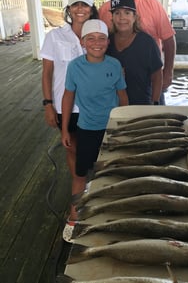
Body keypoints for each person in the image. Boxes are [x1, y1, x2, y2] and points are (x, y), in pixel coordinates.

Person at [61, 19, 128, 240]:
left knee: (113, 171)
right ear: (83, 42)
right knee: (80, 174)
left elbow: (122, 96)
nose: (96, 43)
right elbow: (68, 97)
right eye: (91, 39)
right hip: (87, 128)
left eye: (101, 39)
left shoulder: (114, 66)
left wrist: (124, 125)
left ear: (107, 42)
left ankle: (111, 213)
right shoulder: (75, 66)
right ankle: (74, 215)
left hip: (111, 128)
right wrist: (64, 130)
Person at [40, 0, 98, 232]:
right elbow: (47, 73)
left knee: (93, 153)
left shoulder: (97, 36)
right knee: (73, 152)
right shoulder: (55, 37)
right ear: (69, 9)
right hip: (65, 107)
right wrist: (47, 105)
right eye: (76, 5)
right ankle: (76, 207)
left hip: (92, 107)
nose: (80, 9)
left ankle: (92, 196)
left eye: (85, 4)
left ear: (91, 9)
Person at [99, 0, 176, 104]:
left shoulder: (152, 4)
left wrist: (168, 72)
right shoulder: (104, 9)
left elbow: (168, 39)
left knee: (153, 119)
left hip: (151, 80)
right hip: (115, 84)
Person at [107, 0, 163, 105]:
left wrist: (155, 103)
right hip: (112, 106)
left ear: (134, 17)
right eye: (117, 13)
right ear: (112, 17)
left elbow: (157, 75)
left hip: (141, 106)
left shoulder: (147, 42)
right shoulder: (106, 42)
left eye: (127, 13)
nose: (122, 17)